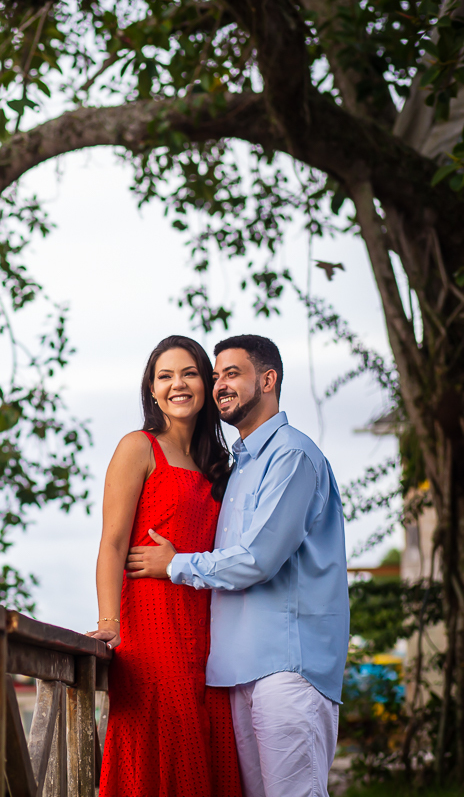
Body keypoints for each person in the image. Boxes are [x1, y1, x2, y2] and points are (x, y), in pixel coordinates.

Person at [127, 334, 349, 797]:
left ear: (267, 380)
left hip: (288, 668)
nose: (220, 384)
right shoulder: (240, 466)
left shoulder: (291, 455)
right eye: (216, 376)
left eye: (233, 373)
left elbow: (258, 560)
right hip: (237, 672)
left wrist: (174, 565)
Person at [88, 335, 241, 797]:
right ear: (151, 390)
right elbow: (112, 544)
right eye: (165, 376)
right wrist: (109, 622)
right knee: (161, 748)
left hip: (209, 631)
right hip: (152, 630)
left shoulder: (219, 464)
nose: (178, 384)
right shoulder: (137, 448)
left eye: (189, 373)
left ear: (207, 384)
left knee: (206, 747)